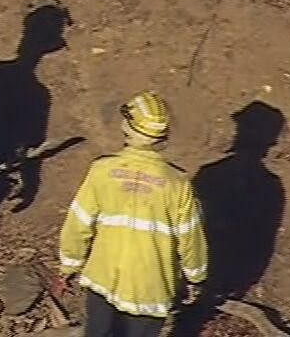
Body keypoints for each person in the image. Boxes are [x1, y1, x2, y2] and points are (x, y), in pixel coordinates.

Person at [55, 92, 210, 337]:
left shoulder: (102, 170)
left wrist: (69, 266)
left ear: (126, 127)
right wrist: (196, 276)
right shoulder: (177, 183)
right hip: (150, 288)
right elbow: (190, 238)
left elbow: (78, 224)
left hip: (103, 278)